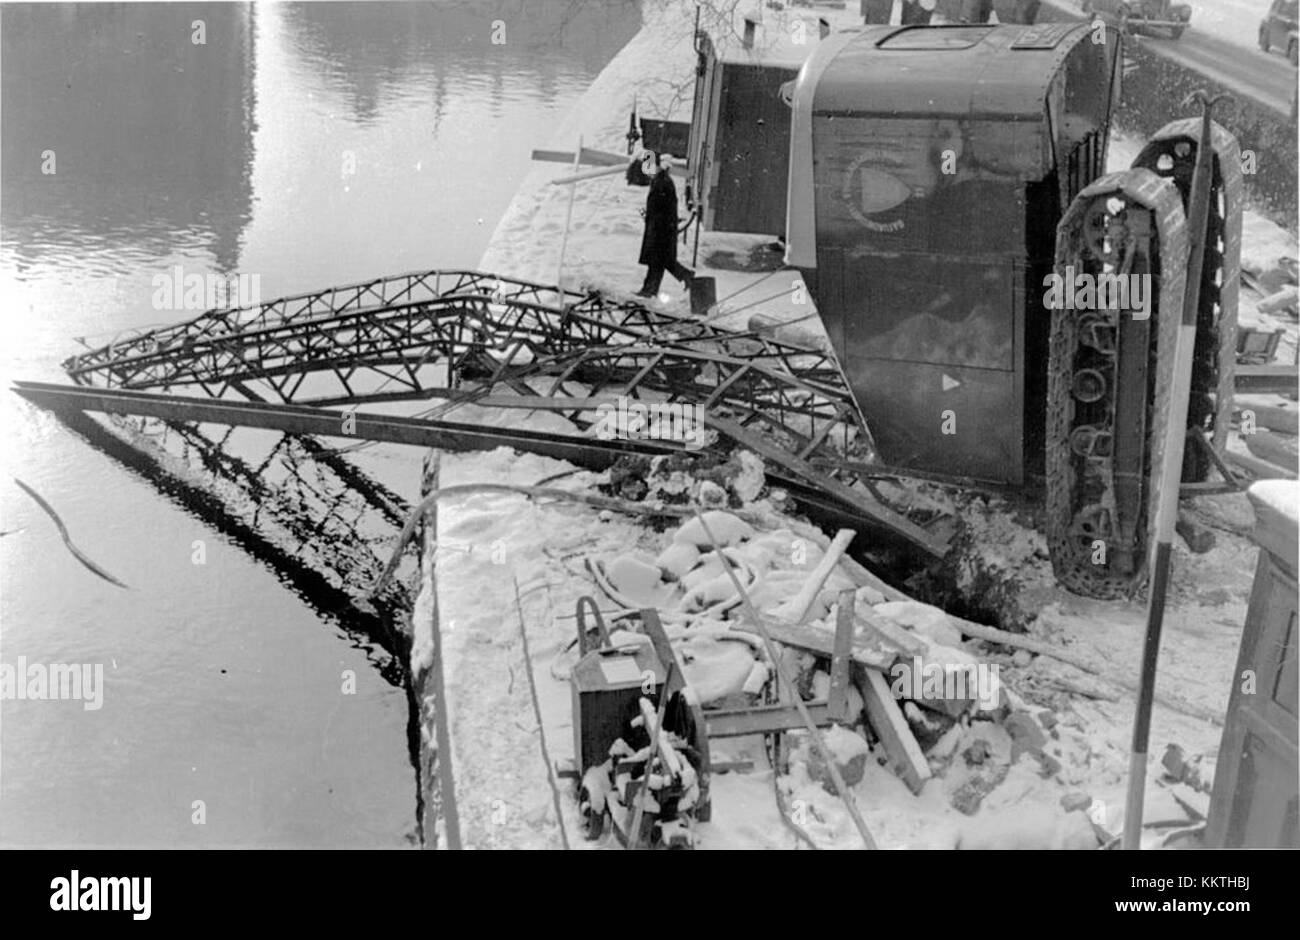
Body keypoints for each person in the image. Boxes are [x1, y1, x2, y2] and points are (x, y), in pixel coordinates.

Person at [635, 152, 693, 298]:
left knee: (658, 261)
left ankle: (650, 291)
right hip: (660, 228)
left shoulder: (662, 182)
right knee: (661, 261)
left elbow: (662, 210)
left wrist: (654, 222)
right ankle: (650, 289)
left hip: (661, 230)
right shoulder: (659, 180)